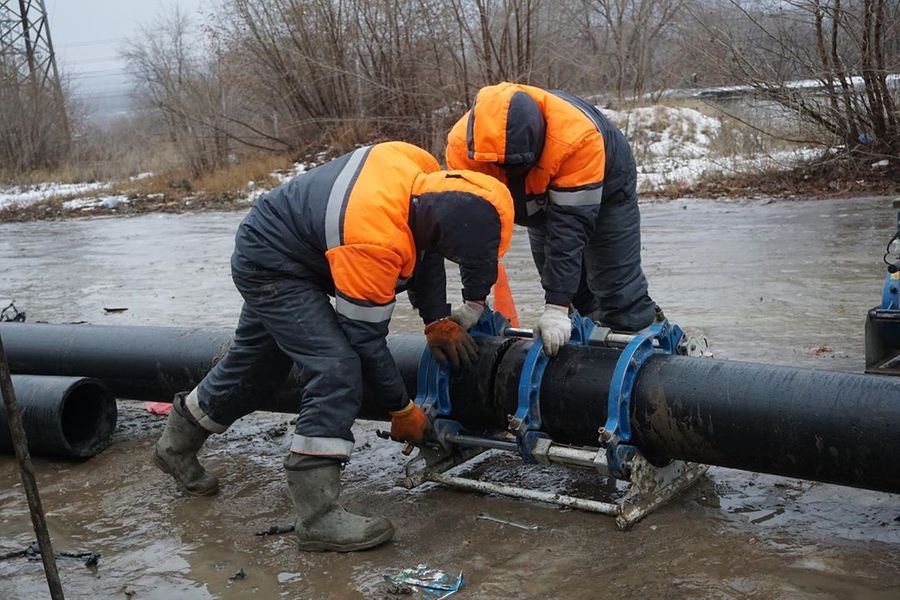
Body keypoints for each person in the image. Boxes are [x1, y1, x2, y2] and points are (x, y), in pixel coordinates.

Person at [153, 141, 514, 552]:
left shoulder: (423, 174)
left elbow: (427, 249)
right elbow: (365, 342)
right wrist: (402, 410)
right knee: (337, 368)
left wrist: (435, 320)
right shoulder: (375, 240)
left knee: (257, 364)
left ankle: (174, 448)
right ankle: (318, 517)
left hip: (289, 238)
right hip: (274, 264)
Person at [446, 82, 662, 356]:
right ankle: (588, 359)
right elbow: (474, 230)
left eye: (516, 167)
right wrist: (474, 301)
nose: (508, 174)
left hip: (607, 186)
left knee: (616, 289)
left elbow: (568, 233)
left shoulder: (576, 140)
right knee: (574, 292)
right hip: (537, 198)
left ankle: (653, 357)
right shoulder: (463, 149)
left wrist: (556, 308)